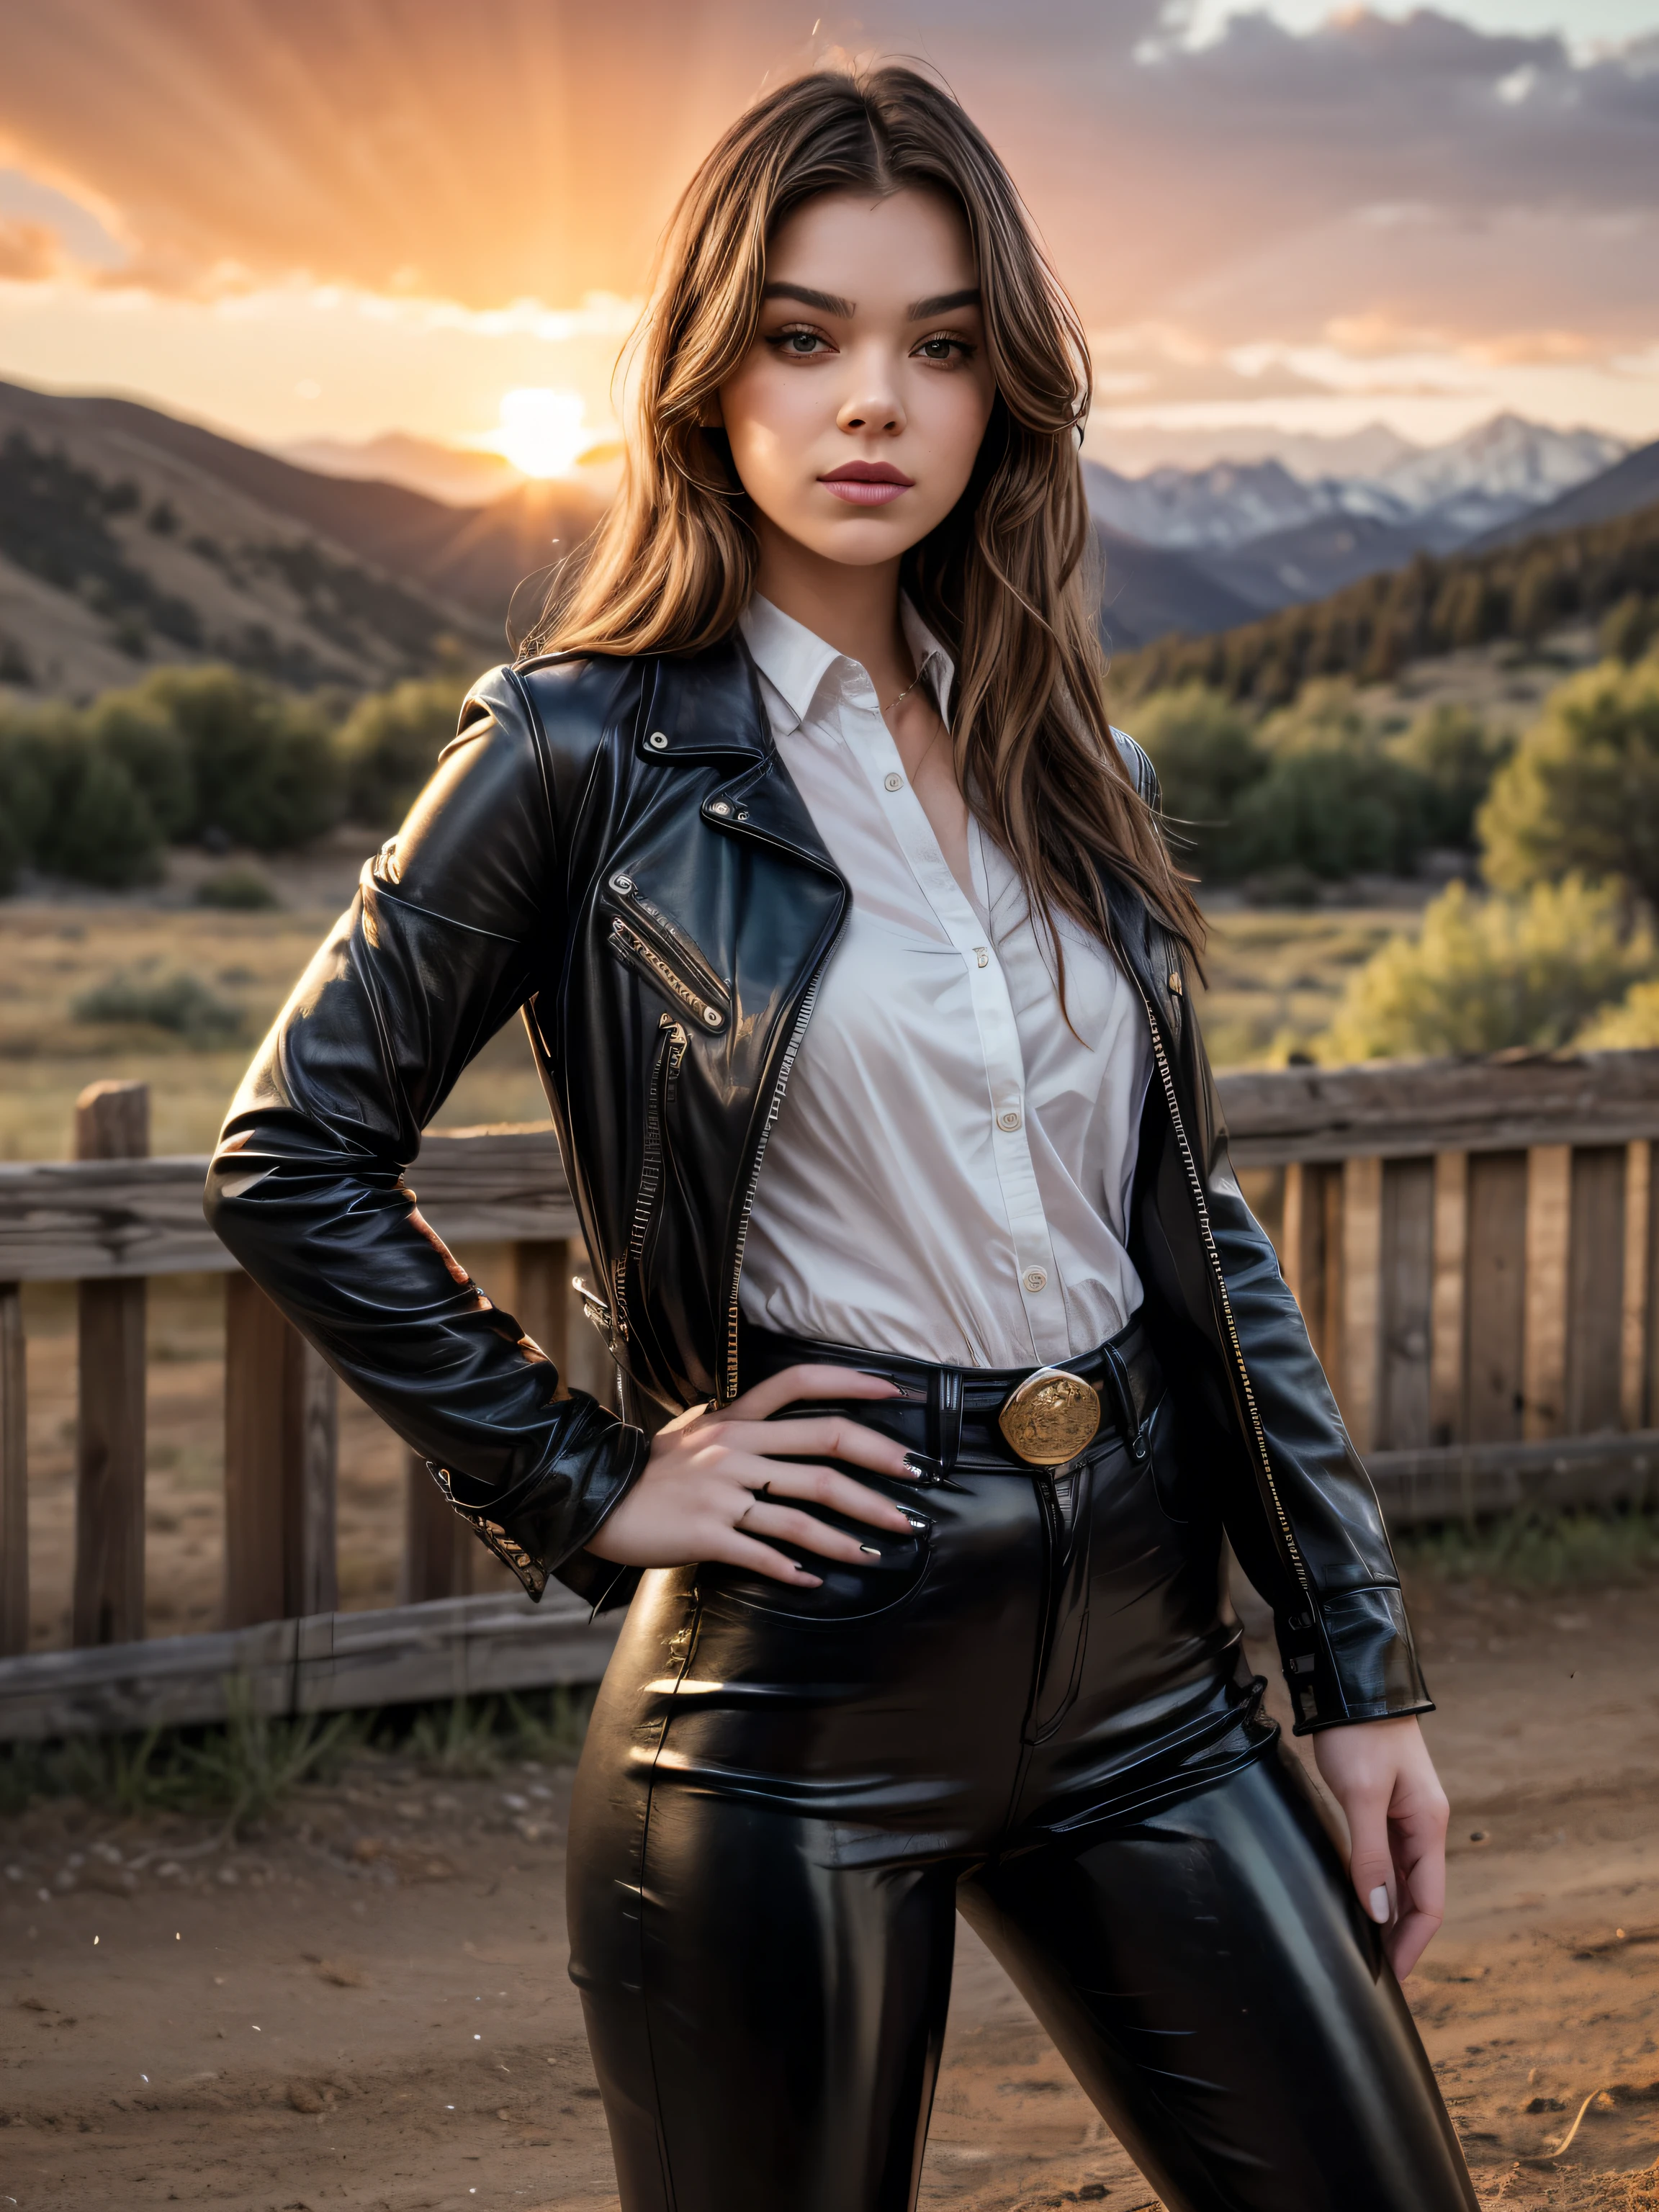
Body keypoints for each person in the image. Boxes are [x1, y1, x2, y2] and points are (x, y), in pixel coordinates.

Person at [207, 63, 1473, 2212]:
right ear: (714, 375)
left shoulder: (1080, 762)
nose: (871, 401)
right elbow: (292, 1153)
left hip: (1154, 1667)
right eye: (805, 336)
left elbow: (1193, 1227)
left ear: (1007, 394)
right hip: (793, 1699)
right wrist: (592, 1478)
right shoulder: (582, 753)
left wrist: (1356, 1665)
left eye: (940, 343)